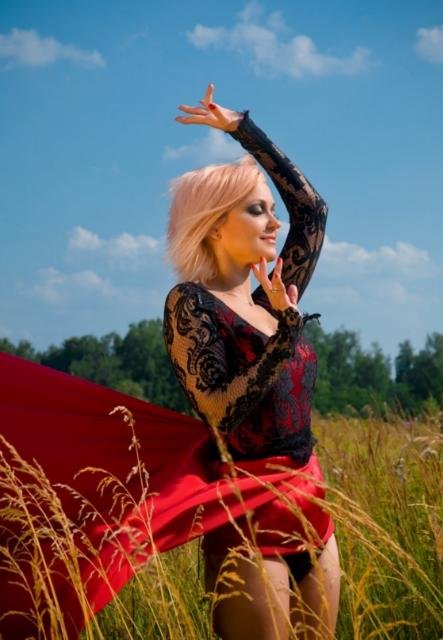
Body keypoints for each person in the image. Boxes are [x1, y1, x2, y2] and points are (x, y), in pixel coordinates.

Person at [163, 83, 341, 639]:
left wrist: (242, 128)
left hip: (313, 504)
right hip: (247, 515)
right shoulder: (190, 303)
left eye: (271, 209)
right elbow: (220, 411)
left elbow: (312, 211)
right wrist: (286, 334)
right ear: (216, 224)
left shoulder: (272, 298)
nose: (274, 222)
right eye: (256, 209)